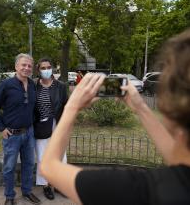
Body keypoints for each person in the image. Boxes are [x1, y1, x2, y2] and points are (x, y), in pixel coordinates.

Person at [40, 29, 190, 205]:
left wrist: (72, 107)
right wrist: (141, 108)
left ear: (169, 108)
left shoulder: (140, 189)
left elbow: (49, 167)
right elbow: (178, 157)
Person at [0, 53, 41, 205]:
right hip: (11, 135)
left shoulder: (32, 85)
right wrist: (1, 128)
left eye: (29, 66)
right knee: (9, 167)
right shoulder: (6, 85)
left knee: (29, 165)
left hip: (29, 133)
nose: (26, 68)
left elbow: (33, 108)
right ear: (16, 67)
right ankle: (10, 196)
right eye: (23, 65)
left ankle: (27, 191)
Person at [34, 58, 68, 200]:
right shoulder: (34, 86)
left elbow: (66, 106)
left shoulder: (60, 86)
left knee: (60, 156)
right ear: (38, 70)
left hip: (57, 124)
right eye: (43, 68)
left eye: (48, 67)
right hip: (40, 126)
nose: (46, 70)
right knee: (43, 157)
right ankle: (47, 186)